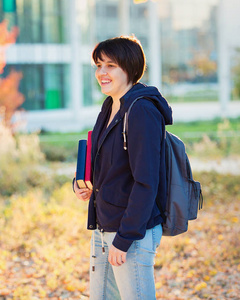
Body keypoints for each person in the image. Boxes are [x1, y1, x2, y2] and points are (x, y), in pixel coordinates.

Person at [73, 36, 173, 299]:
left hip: (130, 234)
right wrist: (83, 184)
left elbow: (146, 182)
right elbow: (109, 166)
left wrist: (125, 238)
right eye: (98, 65)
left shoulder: (141, 111)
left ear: (129, 67)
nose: (102, 73)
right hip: (104, 226)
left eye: (110, 65)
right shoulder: (110, 106)